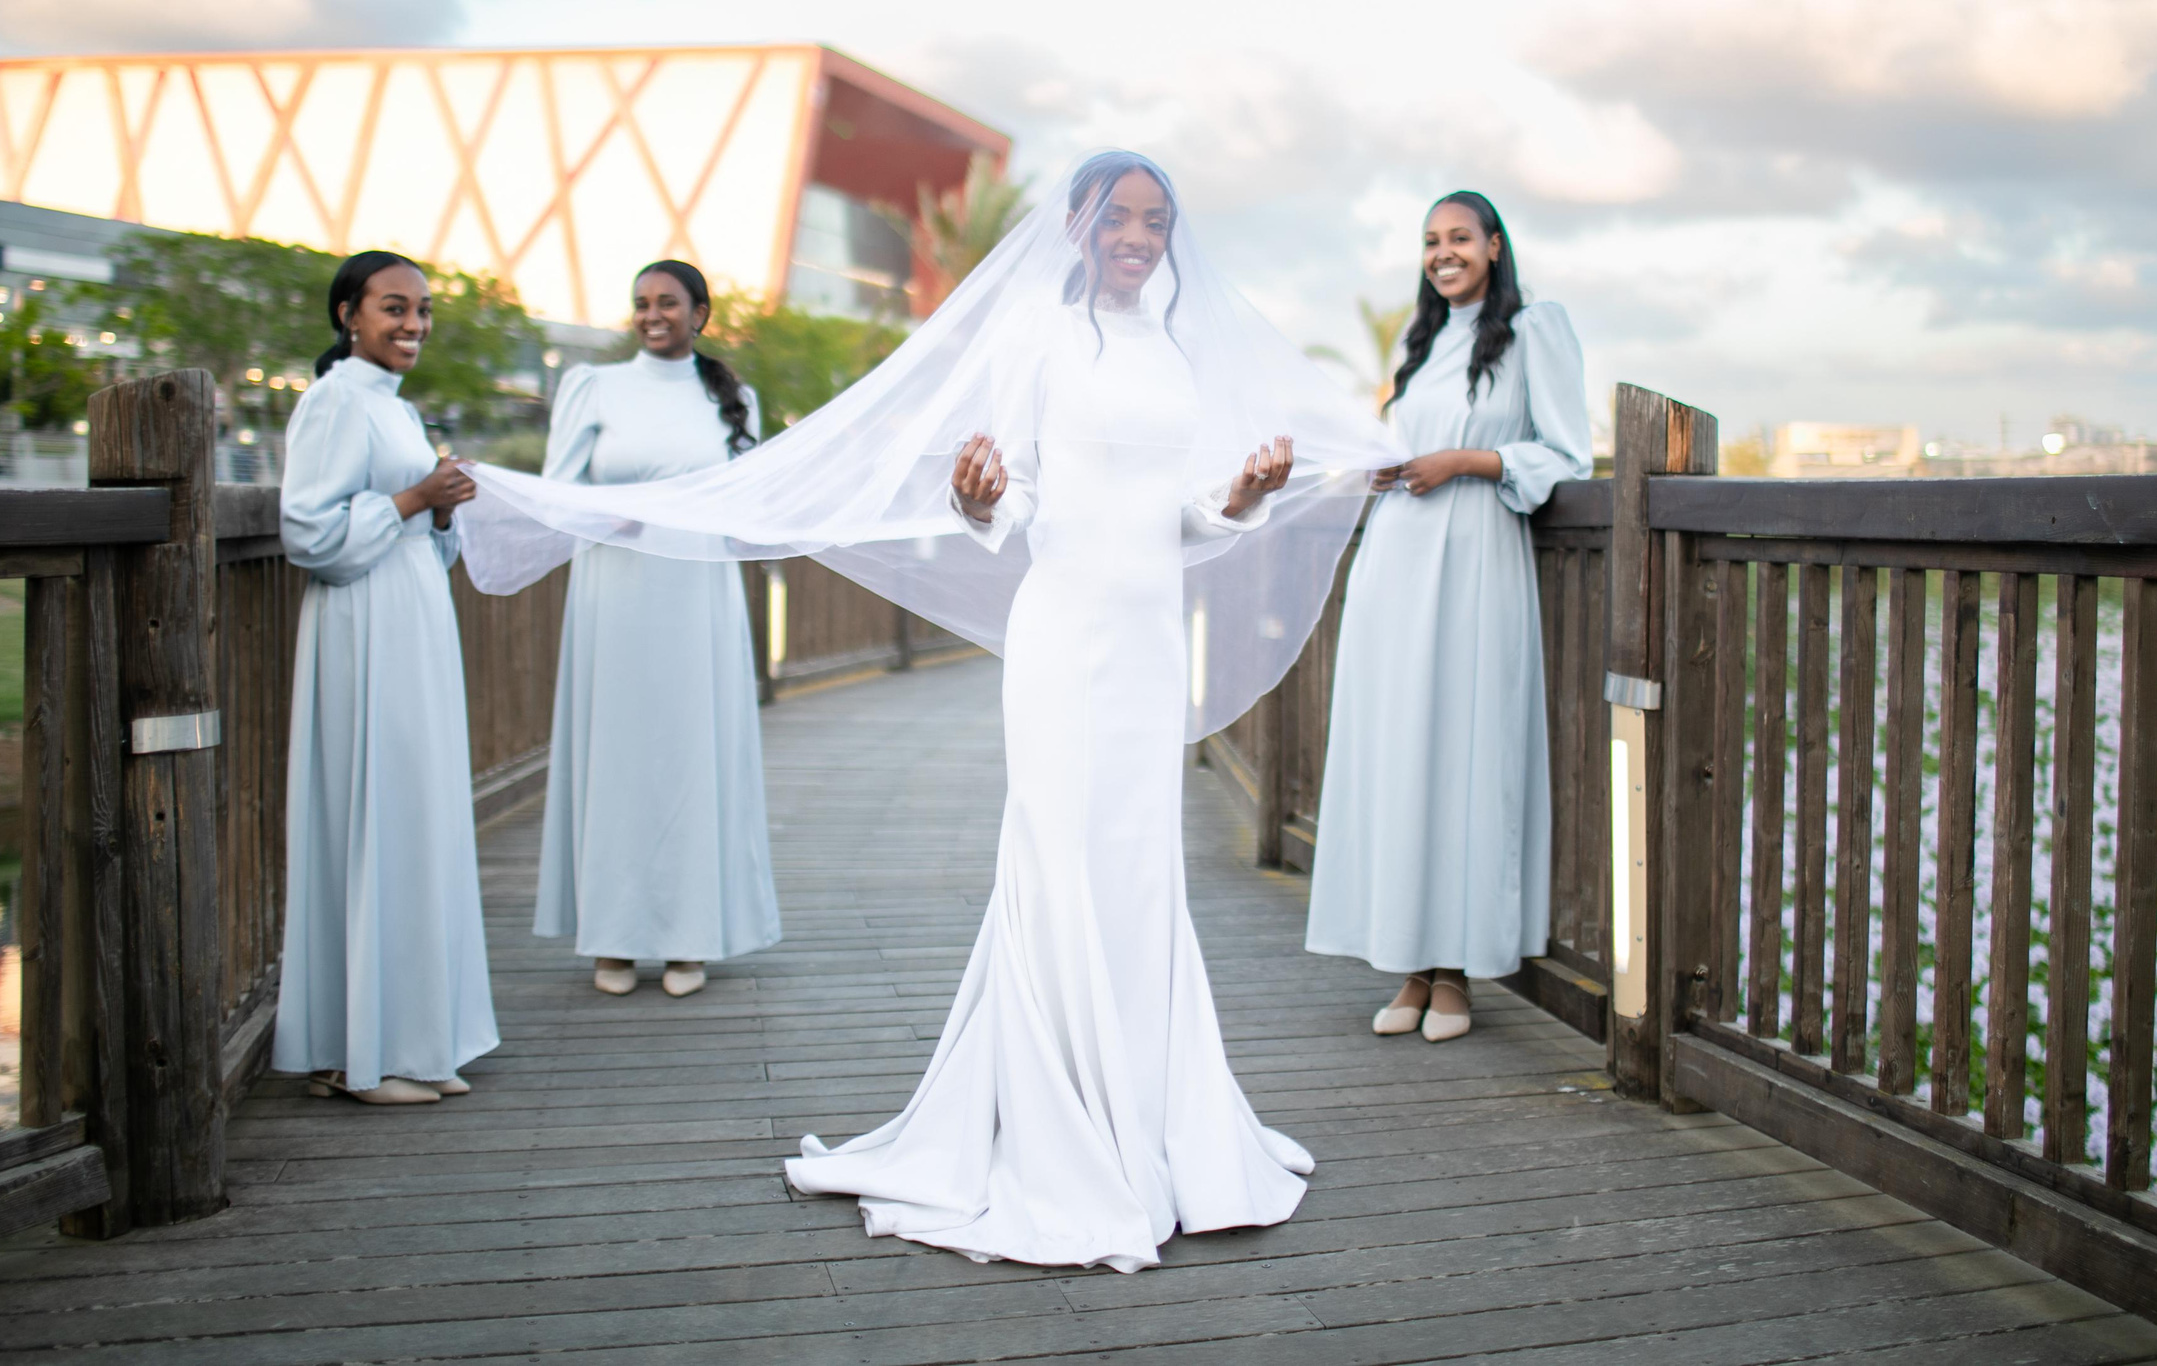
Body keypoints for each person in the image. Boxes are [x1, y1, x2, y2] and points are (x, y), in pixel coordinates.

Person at [455, 151, 1397, 1272]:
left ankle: (1155, 1121)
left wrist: (1243, 495)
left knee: (1138, 868)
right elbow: (1011, 497)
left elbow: (1183, 521)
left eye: (1156, 218)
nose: (1138, 236)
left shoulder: (1177, 354)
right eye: (1117, 216)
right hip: (1063, 636)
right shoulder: (1037, 341)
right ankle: (1052, 1130)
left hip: (1148, 643)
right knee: (1053, 859)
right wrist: (976, 498)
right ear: (1075, 223)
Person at [1302, 190, 1590, 1042]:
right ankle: (1411, 966)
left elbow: (1565, 452)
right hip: (1397, 561)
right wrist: (1386, 467)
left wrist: (1463, 461)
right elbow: (1403, 438)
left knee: (1464, 748)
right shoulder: (1418, 341)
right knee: (1402, 750)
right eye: (1431, 241)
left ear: (1495, 247)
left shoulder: (1538, 330)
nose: (1443, 252)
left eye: (1459, 237)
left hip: (1473, 561)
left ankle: (1458, 973)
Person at [275, 251, 500, 1106]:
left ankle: (415, 1034)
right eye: (393, 308)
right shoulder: (334, 400)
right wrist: (412, 501)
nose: (412, 324)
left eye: (422, 311)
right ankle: (357, 1053)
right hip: (362, 631)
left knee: (415, 815)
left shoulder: (392, 408)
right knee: (377, 814)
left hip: (411, 626)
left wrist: (438, 508)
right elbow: (309, 532)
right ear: (348, 315)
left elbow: (416, 536)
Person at [536, 260, 779, 997]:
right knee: (617, 757)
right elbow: (555, 492)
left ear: (699, 312)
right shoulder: (594, 387)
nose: (651, 314)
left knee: (688, 757)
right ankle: (612, 937)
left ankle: (687, 937)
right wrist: (604, 512)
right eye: (641, 303)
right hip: (616, 592)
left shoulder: (735, 398)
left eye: (667, 303)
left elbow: (747, 509)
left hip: (697, 596)